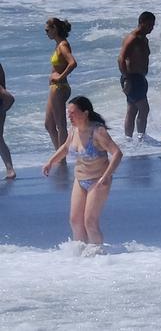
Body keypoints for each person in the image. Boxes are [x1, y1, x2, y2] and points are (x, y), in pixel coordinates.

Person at [41, 96, 123, 246]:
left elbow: (117, 153)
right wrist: (50, 162)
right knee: (75, 220)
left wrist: (106, 176)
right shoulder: (73, 131)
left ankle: (98, 254)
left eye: (73, 113)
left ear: (85, 113)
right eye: (68, 113)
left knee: (89, 221)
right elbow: (66, 148)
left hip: (98, 181)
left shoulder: (98, 131)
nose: (69, 116)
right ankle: (80, 257)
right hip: (80, 180)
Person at [118, 11, 154, 140]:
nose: (151, 28)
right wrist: (126, 79)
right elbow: (121, 58)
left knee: (132, 109)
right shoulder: (132, 38)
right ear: (141, 23)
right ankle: (141, 138)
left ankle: (129, 139)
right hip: (131, 78)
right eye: (149, 25)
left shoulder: (144, 39)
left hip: (140, 78)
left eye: (153, 25)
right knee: (144, 109)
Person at [43, 17, 77, 151]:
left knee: (60, 125)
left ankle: (62, 157)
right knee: (49, 124)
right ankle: (59, 153)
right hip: (55, 87)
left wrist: (60, 77)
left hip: (59, 87)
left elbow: (72, 63)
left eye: (47, 30)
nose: (46, 33)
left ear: (54, 29)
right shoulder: (58, 44)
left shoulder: (63, 45)